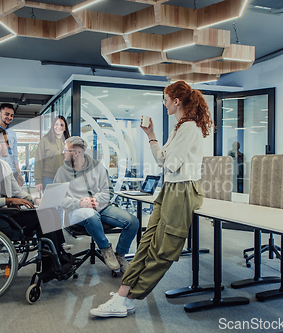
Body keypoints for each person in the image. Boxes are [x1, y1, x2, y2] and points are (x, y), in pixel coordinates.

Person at [90, 80, 214, 317]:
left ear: (176, 101)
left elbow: (171, 163)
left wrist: (166, 156)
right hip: (170, 189)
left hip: (182, 191)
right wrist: (151, 135)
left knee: (162, 250)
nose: (164, 103)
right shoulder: (180, 127)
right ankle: (122, 295)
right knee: (146, 244)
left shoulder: (189, 128)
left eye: (165, 99)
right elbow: (161, 160)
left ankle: (129, 296)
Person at [0, 127, 70, 277]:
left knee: (50, 210)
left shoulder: (4, 165)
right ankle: (49, 263)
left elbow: (17, 192)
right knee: (45, 216)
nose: (9, 146)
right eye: (7, 142)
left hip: (7, 213)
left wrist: (36, 200)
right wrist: (8, 200)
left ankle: (59, 253)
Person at [54, 136, 139, 272]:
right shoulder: (62, 172)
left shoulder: (98, 167)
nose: (63, 153)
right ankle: (105, 248)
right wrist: (80, 202)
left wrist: (93, 200)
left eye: (65, 150)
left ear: (76, 153)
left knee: (133, 222)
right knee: (90, 215)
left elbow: (109, 191)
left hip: (101, 207)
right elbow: (58, 199)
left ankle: (121, 255)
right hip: (77, 211)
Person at [34, 116, 70, 193]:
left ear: (65, 128)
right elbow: (38, 161)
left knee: (63, 203)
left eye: (61, 125)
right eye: (56, 124)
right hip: (48, 178)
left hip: (64, 178)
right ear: (53, 126)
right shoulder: (45, 140)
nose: (58, 127)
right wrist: (38, 181)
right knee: (51, 203)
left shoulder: (69, 142)